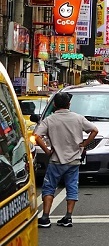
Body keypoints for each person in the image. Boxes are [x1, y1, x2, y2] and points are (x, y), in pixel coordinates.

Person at [34, 92, 99, 228]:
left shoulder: (49, 120)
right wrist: (84, 144)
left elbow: (37, 136)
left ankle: (45, 217)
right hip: (74, 160)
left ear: (55, 105)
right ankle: (68, 217)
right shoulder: (78, 118)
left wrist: (47, 150)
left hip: (56, 160)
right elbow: (94, 130)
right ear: (69, 104)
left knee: (49, 187)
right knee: (72, 187)